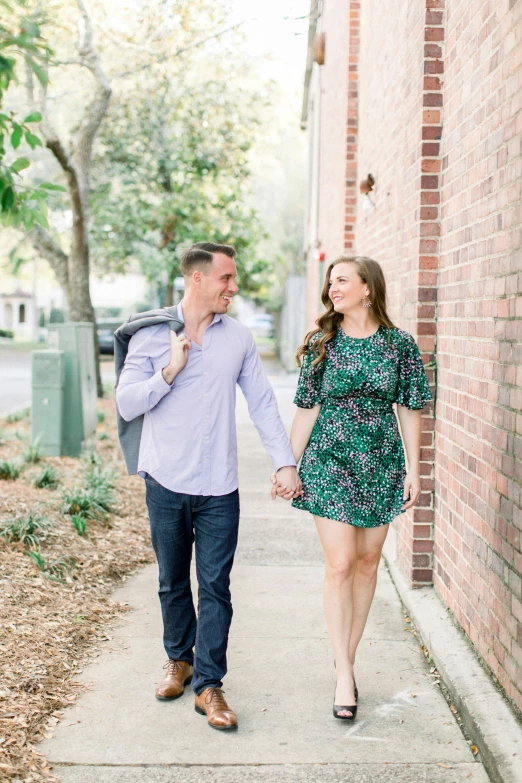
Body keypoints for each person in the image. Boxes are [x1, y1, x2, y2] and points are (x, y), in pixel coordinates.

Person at [116, 242, 301, 731]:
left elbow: (261, 401)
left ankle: (210, 685)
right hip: (165, 479)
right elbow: (127, 402)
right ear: (197, 279)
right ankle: (179, 660)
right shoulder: (152, 335)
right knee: (172, 581)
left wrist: (285, 463)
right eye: (226, 278)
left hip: (219, 484)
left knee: (215, 587)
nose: (233, 287)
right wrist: (169, 371)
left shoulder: (237, 338)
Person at [272, 255, 432, 720]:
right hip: (330, 462)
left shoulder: (399, 345)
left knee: (366, 564)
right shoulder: (325, 342)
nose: (332, 287)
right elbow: (307, 408)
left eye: (341, 280)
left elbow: (410, 409)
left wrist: (413, 469)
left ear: (367, 288)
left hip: (380, 462)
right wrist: (288, 464)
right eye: (330, 280)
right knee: (340, 563)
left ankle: (347, 657)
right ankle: (344, 674)